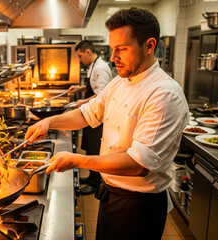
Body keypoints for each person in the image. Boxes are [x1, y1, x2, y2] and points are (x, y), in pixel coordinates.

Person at [25, 7, 189, 239]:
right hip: (111, 195)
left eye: (122, 49)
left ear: (149, 45)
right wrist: (49, 122)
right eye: (113, 49)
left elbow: (138, 164)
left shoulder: (164, 94)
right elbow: (85, 114)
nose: (113, 58)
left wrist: (77, 160)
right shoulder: (120, 83)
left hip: (138, 206)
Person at [68, 40, 113, 195]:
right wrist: (80, 88)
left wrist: (82, 101)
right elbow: (92, 87)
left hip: (99, 116)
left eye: (80, 56)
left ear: (87, 52)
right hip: (92, 112)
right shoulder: (93, 66)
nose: (80, 60)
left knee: (95, 148)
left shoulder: (101, 68)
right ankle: (91, 176)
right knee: (90, 147)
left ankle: (95, 183)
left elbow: (102, 94)